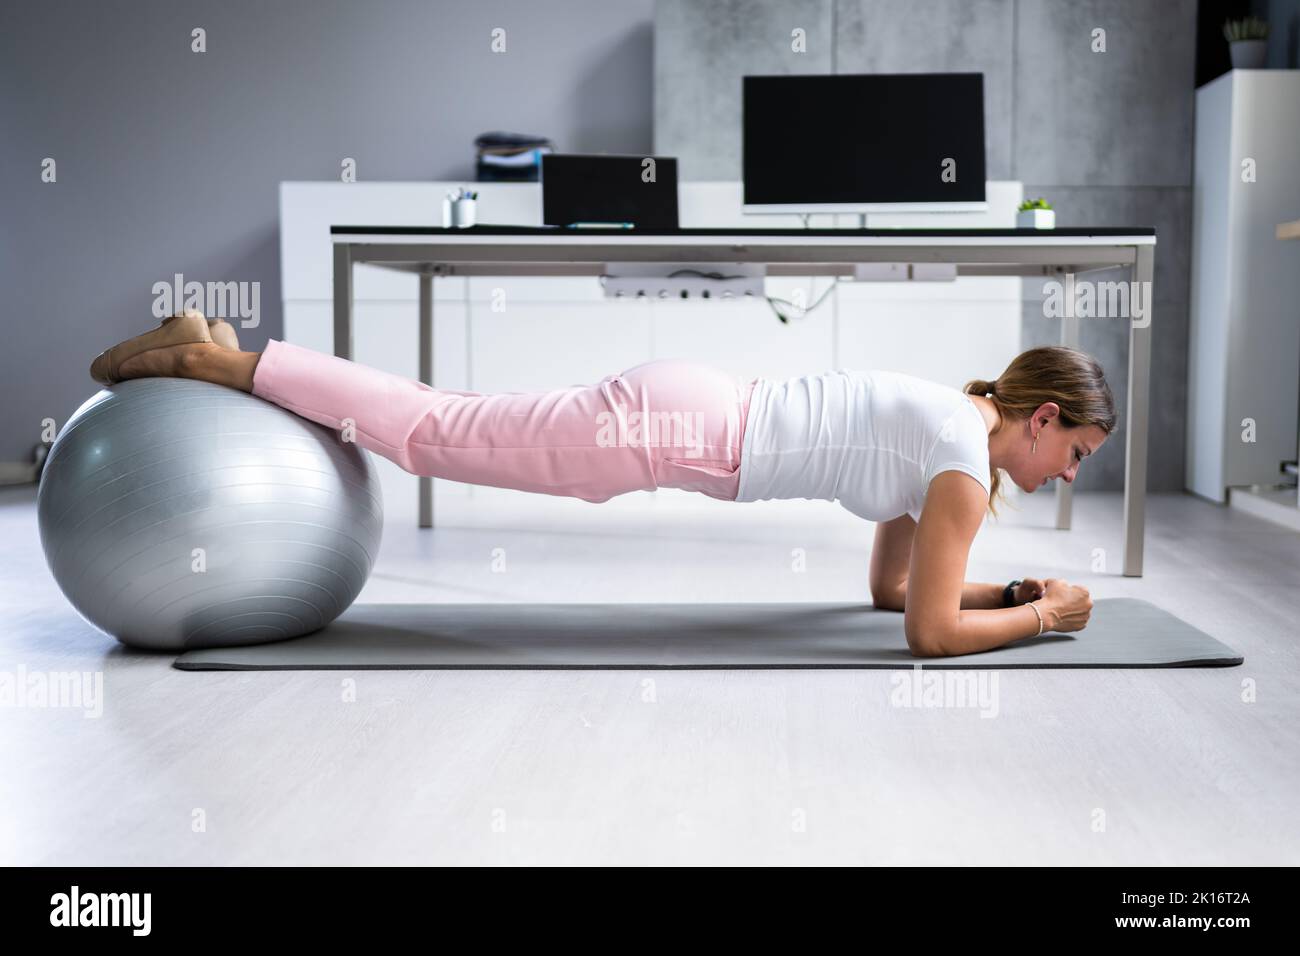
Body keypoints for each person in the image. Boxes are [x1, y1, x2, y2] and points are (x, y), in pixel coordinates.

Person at [89, 310, 1109, 658]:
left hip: (686, 410)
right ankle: (215, 361)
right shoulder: (963, 472)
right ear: (1045, 419)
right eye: (1075, 456)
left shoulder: (945, 434)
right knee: (436, 430)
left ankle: (229, 352)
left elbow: (896, 597)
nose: (1066, 476)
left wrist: (1004, 591)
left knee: (444, 420)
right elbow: (929, 638)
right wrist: (1048, 617)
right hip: (673, 431)